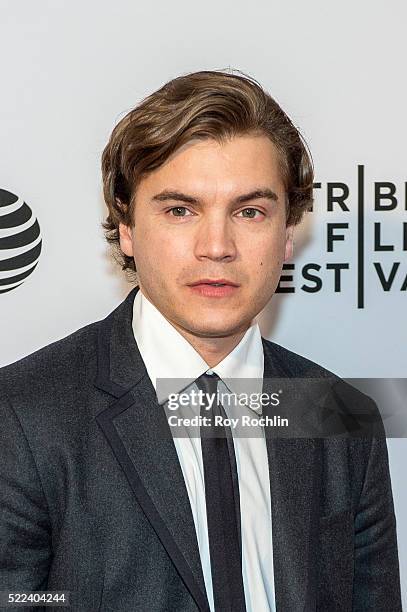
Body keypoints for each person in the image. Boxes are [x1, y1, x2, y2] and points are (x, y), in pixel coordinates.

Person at [0, 70, 401, 612]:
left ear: (288, 233)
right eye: (180, 210)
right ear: (126, 227)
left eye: (250, 212)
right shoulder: (24, 416)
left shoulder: (338, 412)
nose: (217, 246)